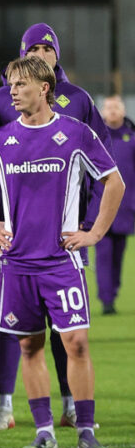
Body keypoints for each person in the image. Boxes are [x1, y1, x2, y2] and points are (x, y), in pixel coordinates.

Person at [0, 55, 121, 448]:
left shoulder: (76, 133)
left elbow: (114, 182)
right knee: (29, 346)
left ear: (43, 88)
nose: (12, 92)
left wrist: (94, 232)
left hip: (62, 263)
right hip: (17, 265)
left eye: (20, 85)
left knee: (76, 343)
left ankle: (85, 429)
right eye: (11, 85)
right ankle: (44, 430)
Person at [93, 95, 135, 315]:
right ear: (102, 111)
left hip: (126, 209)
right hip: (100, 208)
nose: (112, 111)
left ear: (123, 110)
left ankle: (113, 292)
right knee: (103, 255)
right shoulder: (95, 139)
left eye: (116, 107)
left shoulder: (132, 138)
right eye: (108, 107)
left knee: (118, 254)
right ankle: (106, 299)